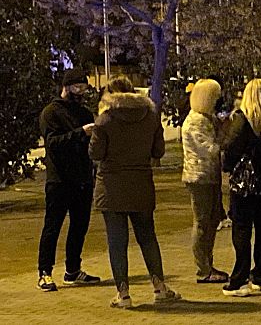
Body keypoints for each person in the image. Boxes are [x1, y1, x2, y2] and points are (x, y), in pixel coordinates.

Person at [89, 76, 179, 308]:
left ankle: (124, 294)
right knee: (147, 237)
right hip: (141, 184)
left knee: (117, 241)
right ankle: (159, 287)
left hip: (111, 188)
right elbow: (158, 150)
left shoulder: (104, 120)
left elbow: (96, 154)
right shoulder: (150, 117)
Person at [37, 69, 101, 292]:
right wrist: (81, 133)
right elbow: (53, 143)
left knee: (79, 226)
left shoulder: (84, 112)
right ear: (66, 87)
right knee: (52, 226)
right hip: (59, 180)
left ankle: (73, 270)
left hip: (82, 178)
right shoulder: (51, 113)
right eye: (77, 88)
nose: (81, 92)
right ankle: (44, 272)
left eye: (84, 88)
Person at [221, 79, 261, 296]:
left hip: (245, 184)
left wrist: (226, 166)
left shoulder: (242, 119)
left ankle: (240, 279)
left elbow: (231, 150)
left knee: (242, 229)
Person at [181, 79, 229, 284]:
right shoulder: (196, 122)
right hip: (199, 177)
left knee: (212, 221)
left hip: (209, 175)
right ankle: (203, 269)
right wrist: (226, 139)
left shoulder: (206, 118)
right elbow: (210, 149)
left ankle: (208, 264)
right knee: (202, 223)